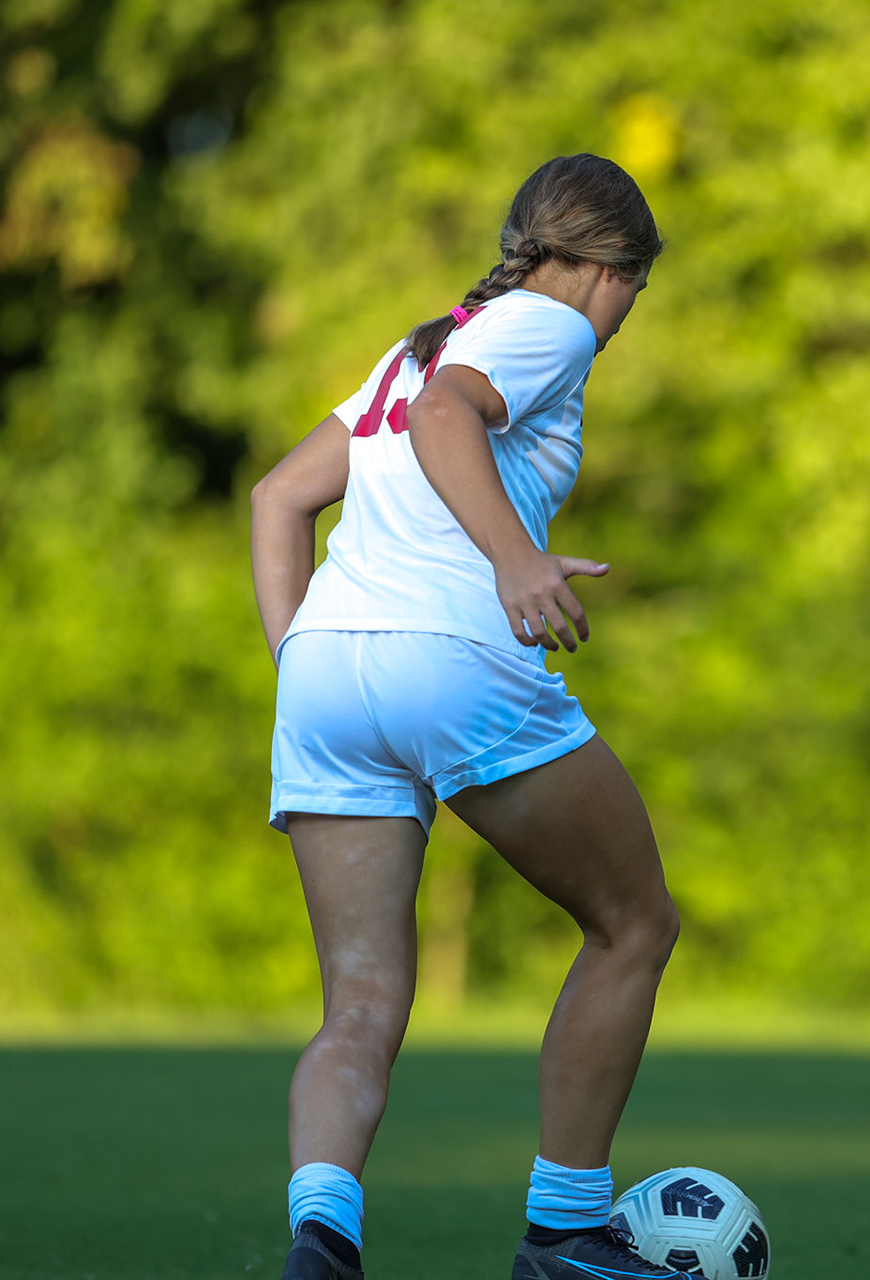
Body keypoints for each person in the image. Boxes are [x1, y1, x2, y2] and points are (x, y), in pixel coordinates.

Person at [249, 154, 690, 1280]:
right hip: (449, 660)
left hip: (327, 670)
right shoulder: (547, 325)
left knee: (359, 1002)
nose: (630, 309)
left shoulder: (414, 349)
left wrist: (307, 655)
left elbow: (278, 497)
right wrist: (516, 562)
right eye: (637, 284)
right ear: (608, 266)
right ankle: (565, 1231)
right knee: (634, 921)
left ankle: (322, 1244)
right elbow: (454, 418)